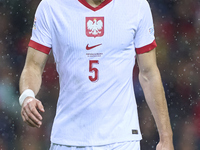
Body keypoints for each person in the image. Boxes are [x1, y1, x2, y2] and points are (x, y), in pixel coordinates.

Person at [19, 0, 174, 149]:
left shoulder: (137, 6)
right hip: (69, 138)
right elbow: (33, 66)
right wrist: (27, 96)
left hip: (122, 138)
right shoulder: (51, 7)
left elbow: (149, 74)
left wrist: (166, 137)